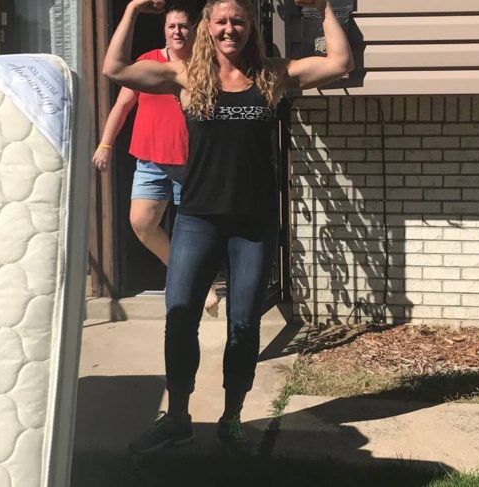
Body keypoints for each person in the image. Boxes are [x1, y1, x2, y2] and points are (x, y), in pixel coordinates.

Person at [103, 0, 352, 456]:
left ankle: (232, 418)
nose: (229, 29)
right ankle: (177, 417)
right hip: (198, 218)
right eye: (220, 21)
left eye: (238, 21)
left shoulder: (271, 74)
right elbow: (115, 67)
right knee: (180, 317)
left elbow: (339, 62)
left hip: (253, 223)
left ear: (250, 28)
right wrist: (135, 9)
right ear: (207, 28)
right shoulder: (186, 77)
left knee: (243, 324)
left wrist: (323, 9)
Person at [93, 3, 220, 311]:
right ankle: (184, 272)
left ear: (194, 30)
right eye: (172, 26)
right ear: (164, 30)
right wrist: (106, 144)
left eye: (183, 26)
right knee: (142, 223)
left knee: (197, 231)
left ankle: (203, 283)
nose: (178, 31)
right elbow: (122, 107)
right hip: (150, 160)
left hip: (189, 162)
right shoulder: (148, 61)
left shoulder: (206, 65)